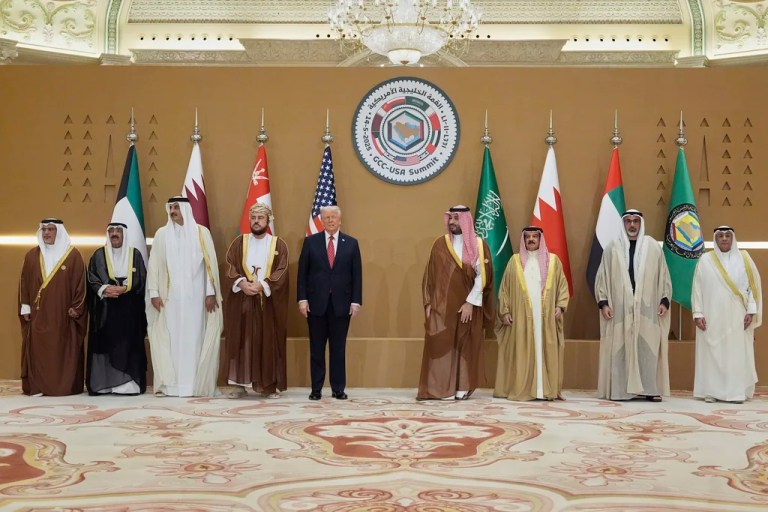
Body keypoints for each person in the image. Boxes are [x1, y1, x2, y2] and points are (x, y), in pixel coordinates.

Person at [146, 196, 222, 397]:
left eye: (177, 207)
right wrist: (153, 293)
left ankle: (193, 385)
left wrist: (210, 293)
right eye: (171, 207)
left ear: (186, 210)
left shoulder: (201, 233)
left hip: (196, 299)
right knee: (169, 339)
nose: (173, 211)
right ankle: (171, 386)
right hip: (169, 298)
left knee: (194, 338)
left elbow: (209, 266)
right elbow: (154, 265)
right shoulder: (162, 235)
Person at [417, 205, 494, 400]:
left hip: (467, 305)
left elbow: (483, 277)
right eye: (450, 218)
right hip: (443, 307)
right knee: (442, 345)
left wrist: (470, 302)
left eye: (456, 219)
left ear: (466, 221)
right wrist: (429, 304)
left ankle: (462, 386)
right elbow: (431, 277)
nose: (452, 222)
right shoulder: (440, 244)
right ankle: (441, 388)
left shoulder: (478, 245)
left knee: (465, 344)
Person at [595, 209, 672, 402]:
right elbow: (602, 277)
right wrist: (604, 303)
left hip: (648, 309)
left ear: (640, 224)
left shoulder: (653, 247)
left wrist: (664, 300)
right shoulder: (613, 248)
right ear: (623, 224)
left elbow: (664, 277)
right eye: (628, 221)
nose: (632, 225)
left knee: (649, 348)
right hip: (620, 310)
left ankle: (650, 389)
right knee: (620, 348)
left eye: (635, 221)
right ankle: (621, 390)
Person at [494, 227, 569, 401]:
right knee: (522, 351)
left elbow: (562, 286)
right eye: (527, 237)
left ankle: (544, 390)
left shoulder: (553, 261)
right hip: (521, 318)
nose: (531, 239)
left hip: (546, 317)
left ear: (540, 239)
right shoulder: (514, 261)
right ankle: (524, 389)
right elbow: (504, 289)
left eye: (535, 236)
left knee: (544, 349)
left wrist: (560, 306)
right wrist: (504, 311)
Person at [224, 203, 290, 399]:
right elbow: (229, 265)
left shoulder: (278, 245)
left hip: (267, 303)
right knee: (241, 340)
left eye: (260, 218)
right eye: (253, 217)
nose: (256, 221)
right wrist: (241, 283)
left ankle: (268, 386)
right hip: (242, 301)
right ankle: (238, 385)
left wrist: (263, 285)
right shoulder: (238, 243)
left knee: (268, 342)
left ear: (268, 220)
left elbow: (282, 270)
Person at [297, 205, 362, 400]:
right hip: (316, 304)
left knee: (338, 349)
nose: (331, 220)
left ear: (340, 220)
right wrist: (302, 299)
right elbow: (302, 274)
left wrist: (356, 301)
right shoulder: (311, 242)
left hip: (341, 305)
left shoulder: (351, 243)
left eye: (334, 217)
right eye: (327, 217)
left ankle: (338, 389)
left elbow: (357, 275)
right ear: (322, 221)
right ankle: (316, 389)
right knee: (316, 349)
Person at [692, 226, 762, 404]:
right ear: (715, 239)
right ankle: (712, 391)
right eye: (721, 236)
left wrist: (751, 311)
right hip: (711, 315)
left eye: (728, 236)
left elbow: (752, 288)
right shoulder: (705, 260)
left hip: (737, 316)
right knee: (712, 352)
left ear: (733, 238)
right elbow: (697, 288)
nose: (724, 239)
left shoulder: (744, 259)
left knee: (736, 353)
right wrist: (697, 312)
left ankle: (736, 392)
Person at [18, 218, 86, 396]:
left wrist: (77, 307)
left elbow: (81, 285)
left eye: (51, 229)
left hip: (62, 316)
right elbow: (24, 283)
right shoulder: (31, 256)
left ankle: (61, 386)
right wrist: (25, 307)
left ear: (59, 232)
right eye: (44, 230)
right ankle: (38, 386)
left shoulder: (73, 256)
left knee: (60, 351)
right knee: (38, 351)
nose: (47, 233)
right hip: (38, 315)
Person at [86, 223, 147, 395]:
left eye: (118, 231)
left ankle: (129, 385)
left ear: (124, 234)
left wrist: (126, 288)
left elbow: (142, 277)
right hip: (106, 309)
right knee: (106, 345)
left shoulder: (134, 254)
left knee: (128, 345)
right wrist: (104, 289)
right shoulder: (98, 255)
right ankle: (106, 385)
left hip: (129, 310)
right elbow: (91, 277)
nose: (114, 234)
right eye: (111, 231)